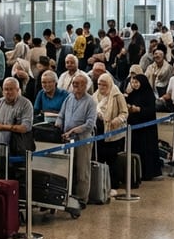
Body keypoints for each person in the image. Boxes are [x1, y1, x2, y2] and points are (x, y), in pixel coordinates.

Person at [55, 72, 97, 208]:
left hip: (82, 140)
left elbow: (89, 124)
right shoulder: (69, 98)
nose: (76, 86)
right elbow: (61, 115)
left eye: (79, 84)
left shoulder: (90, 102)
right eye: (74, 84)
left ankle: (82, 199)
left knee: (82, 170)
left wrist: (73, 131)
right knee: (68, 168)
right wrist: (58, 125)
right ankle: (69, 196)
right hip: (67, 139)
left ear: (85, 86)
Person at [125, 73, 162, 181]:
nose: (134, 84)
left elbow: (151, 110)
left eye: (136, 82)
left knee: (147, 150)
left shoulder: (148, 94)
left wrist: (139, 110)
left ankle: (148, 173)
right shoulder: (132, 94)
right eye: (132, 82)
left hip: (147, 129)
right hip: (135, 127)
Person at [0, 77, 34, 169]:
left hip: (19, 149)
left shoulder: (26, 104)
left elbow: (25, 128)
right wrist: (13, 127)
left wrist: (2, 127)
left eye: (11, 89)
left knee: (19, 176)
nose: (8, 92)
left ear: (18, 90)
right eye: (6, 89)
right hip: (0, 149)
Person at [93, 72, 128, 169]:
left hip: (113, 132)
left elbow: (124, 112)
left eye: (104, 84)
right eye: (99, 84)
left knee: (112, 159)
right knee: (100, 157)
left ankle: (113, 182)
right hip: (99, 130)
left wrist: (118, 120)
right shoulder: (96, 95)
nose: (101, 87)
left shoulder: (117, 95)